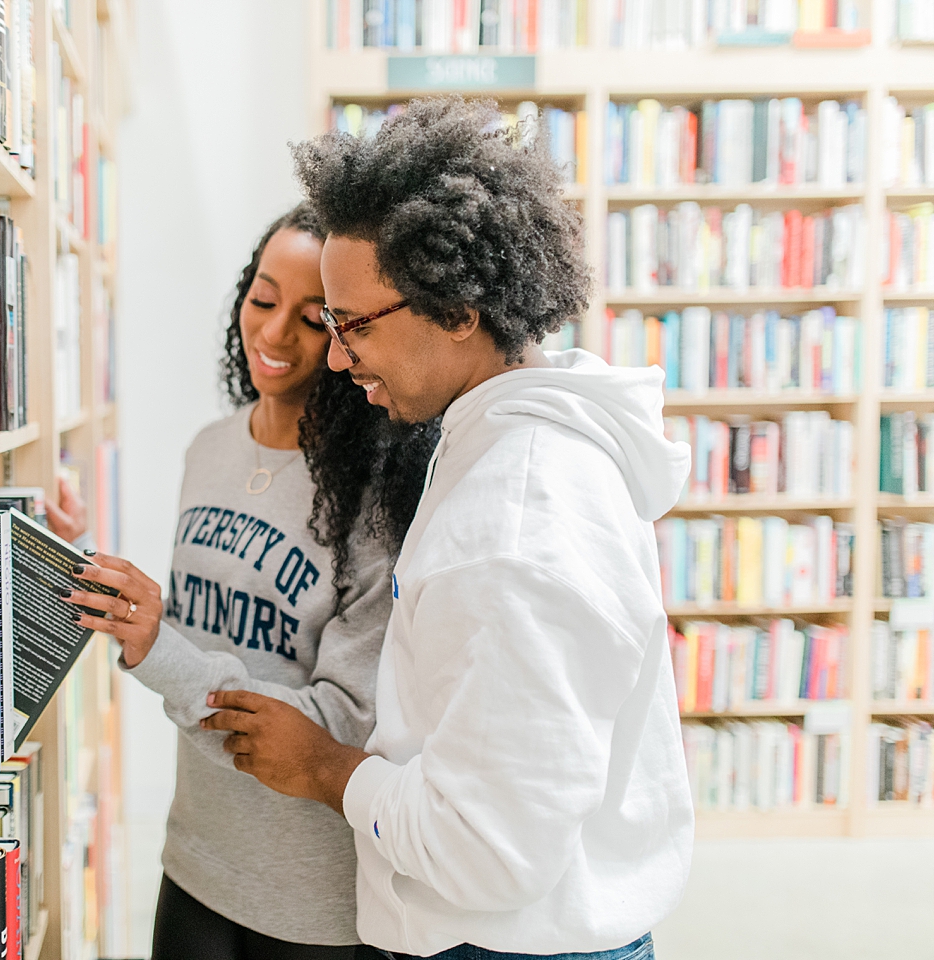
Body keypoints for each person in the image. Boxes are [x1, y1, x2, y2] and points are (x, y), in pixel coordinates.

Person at [198, 98, 695, 960]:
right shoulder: (495, 441)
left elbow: (490, 851)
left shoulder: (514, 520)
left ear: (460, 307)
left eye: (351, 325)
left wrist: (324, 770)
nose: (340, 359)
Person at [60, 204, 439, 959]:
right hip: (196, 855)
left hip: (309, 894)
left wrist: (155, 647)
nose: (272, 334)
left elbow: (341, 720)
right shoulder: (209, 450)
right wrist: (80, 562)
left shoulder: (376, 497)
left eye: (311, 317)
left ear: (346, 336)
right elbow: (191, 636)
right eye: (262, 299)